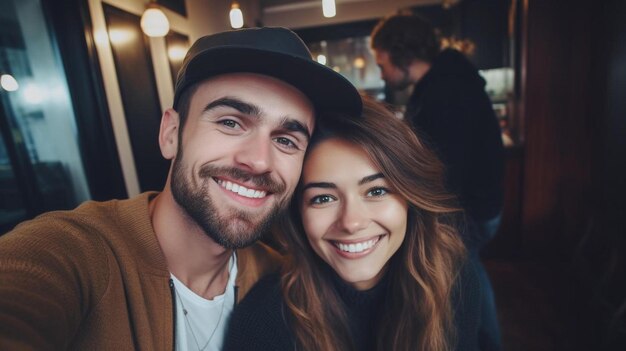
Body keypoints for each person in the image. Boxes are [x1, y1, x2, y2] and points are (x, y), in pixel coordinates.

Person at [0, 27, 361, 350]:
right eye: (231, 122)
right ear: (171, 134)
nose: (259, 160)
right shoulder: (69, 254)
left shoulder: (281, 279)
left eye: (286, 140)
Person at [224, 96, 480, 351]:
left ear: (410, 198)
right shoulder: (262, 322)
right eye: (323, 198)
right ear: (297, 215)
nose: (352, 222)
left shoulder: (453, 277)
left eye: (377, 191)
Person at [370, 14, 505, 351]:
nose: (381, 72)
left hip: (469, 209)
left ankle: (485, 343)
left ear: (401, 55)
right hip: (477, 203)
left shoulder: (446, 91)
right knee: (469, 275)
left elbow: (444, 169)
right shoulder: (444, 83)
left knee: (464, 281)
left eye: (381, 62)